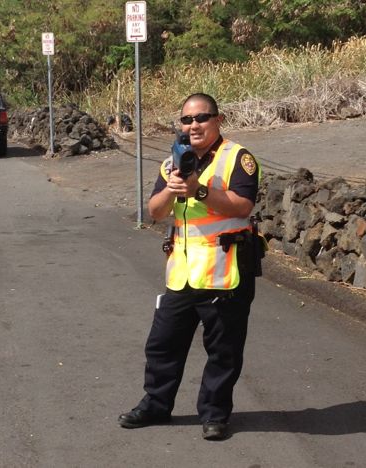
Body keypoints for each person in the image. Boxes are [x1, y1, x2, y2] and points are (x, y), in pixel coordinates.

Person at [118, 93, 262, 441]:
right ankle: (156, 404)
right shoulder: (173, 161)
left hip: (225, 271)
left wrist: (198, 190)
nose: (193, 125)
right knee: (162, 344)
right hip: (181, 275)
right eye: (187, 120)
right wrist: (171, 190)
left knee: (223, 350)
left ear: (218, 120)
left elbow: (242, 206)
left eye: (201, 118)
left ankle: (214, 414)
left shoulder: (237, 158)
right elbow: (154, 212)